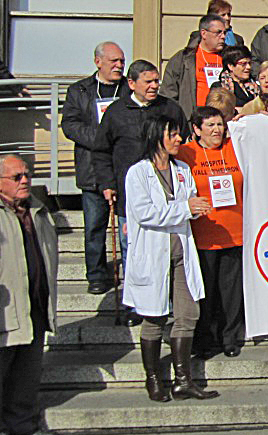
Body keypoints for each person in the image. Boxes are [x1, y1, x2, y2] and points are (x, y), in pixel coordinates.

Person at [124, 116, 218, 401]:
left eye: (179, 134)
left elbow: (186, 203)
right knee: (154, 317)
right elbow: (146, 213)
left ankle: (183, 380)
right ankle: (153, 378)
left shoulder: (182, 169)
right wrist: (185, 207)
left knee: (188, 313)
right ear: (157, 136)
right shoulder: (138, 173)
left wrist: (193, 207)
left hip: (181, 251)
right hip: (153, 254)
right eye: (173, 135)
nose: (179, 139)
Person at [94, 59, 189, 324]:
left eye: (156, 80)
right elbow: (101, 150)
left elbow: (186, 141)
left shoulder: (169, 108)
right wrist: (107, 184)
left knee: (169, 250)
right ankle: (137, 305)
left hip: (168, 192)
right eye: (148, 81)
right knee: (134, 250)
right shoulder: (116, 112)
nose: (154, 86)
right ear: (131, 83)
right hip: (130, 194)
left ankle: (168, 300)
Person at [178, 107, 246, 360]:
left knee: (230, 292)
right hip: (202, 235)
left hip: (234, 233)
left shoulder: (234, 147)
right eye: (210, 126)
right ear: (196, 130)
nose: (217, 130)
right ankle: (204, 337)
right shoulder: (186, 154)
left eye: (219, 124)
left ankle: (230, 338)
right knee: (205, 292)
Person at [60, 41, 126, 294]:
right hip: (92, 169)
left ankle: (130, 273)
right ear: (98, 62)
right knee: (95, 226)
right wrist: (101, 137)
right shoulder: (80, 91)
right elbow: (70, 125)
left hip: (122, 168)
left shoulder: (127, 89)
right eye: (113, 61)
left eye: (121, 61)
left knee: (127, 228)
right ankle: (97, 274)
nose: (119, 66)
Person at [0, 155, 58, 434]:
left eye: (27, 174)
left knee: (26, 378)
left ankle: (22, 426)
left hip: (35, 307)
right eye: (16, 177)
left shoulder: (37, 210)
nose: (25, 180)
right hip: (5, 312)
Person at [161, 14, 227, 119]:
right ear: (204, 33)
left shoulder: (229, 57)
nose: (223, 36)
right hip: (192, 120)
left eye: (224, 32)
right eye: (218, 32)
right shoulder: (183, 59)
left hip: (223, 120)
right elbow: (168, 94)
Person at [213, 46, 257, 111]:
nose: (248, 67)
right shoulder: (220, 87)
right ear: (230, 66)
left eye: (249, 63)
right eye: (243, 64)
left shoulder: (254, 86)